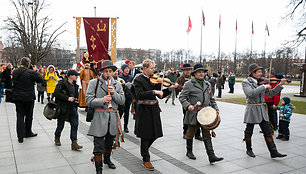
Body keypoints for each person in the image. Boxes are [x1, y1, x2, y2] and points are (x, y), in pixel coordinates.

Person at [133, 59, 178, 171]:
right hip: (143, 110)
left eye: (154, 68)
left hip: (153, 109)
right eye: (152, 68)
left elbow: (161, 95)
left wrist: (170, 88)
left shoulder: (155, 79)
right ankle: (146, 159)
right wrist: (153, 92)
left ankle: (145, 148)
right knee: (145, 135)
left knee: (155, 134)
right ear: (145, 69)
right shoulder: (138, 79)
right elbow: (139, 94)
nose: (154, 70)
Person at [86, 60, 125, 174]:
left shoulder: (117, 84)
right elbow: (89, 100)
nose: (108, 74)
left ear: (113, 72)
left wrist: (114, 94)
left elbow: (122, 100)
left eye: (110, 71)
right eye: (106, 71)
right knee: (98, 144)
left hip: (112, 117)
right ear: (102, 71)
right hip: (99, 116)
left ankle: (107, 159)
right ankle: (99, 168)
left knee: (109, 141)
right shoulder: (94, 83)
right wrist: (102, 100)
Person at [179, 64, 223, 163]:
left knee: (207, 134)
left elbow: (211, 98)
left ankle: (211, 156)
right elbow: (182, 97)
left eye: (203, 72)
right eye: (199, 72)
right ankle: (189, 151)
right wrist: (188, 105)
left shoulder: (207, 84)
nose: (201, 73)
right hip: (194, 113)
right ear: (194, 74)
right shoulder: (189, 84)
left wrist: (216, 109)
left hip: (205, 114)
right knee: (190, 133)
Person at [242, 63, 287, 158]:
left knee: (267, 131)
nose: (261, 74)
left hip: (262, 110)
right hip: (252, 109)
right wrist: (264, 87)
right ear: (252, 73)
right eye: (258, 72)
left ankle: (273, 152)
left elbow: (271, 94)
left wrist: (280, 85)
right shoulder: (246, 82)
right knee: (249, 131)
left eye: (261, 72)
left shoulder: (261, 82)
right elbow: (251, 93)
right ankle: (249, 150)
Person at [12, 57, 43, 143]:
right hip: (28, 97)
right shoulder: (31, 72)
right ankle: (27, 132)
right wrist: (34, 70)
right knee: (29, 116)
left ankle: (20, 137)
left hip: (18, 97)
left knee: (20, 116)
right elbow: (40, 79)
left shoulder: (15, 72)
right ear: (28, 64)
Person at [53, 70, 83, 150]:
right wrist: (67, 98)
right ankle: (57, 137)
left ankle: (74, 142)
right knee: (60, 125)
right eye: (75, 75)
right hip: (63, 107)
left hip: (72, 107)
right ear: (70, 76)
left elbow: (75, 96)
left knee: (75, 124)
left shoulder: (75, 85)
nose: (76, 77)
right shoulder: (62, 83)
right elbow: (56, 93)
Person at [176, 64, 202, 141]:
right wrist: (177, 88)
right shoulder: (180, 79)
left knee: (198, 117)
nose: (188, 71)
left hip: (195, 101)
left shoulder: (193, 77)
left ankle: (197, 134)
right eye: (186, 70)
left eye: (189, 70)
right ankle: (185, 132)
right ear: (183, 70)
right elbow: (178, 91)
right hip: (186, 102)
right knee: (186, 117)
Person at [264, 68, 280, 133]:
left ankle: (273, 128)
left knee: (271, 115)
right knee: (266, 115)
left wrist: (275, 103)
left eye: (266, 72)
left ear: (270, 73)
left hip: (271, 101)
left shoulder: (275, 81)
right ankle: (267, 127)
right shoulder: (266, 80)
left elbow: (277, 94)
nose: (265, 74)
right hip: (266, 100)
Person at [119, 64, 133, 133]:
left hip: (128, 96)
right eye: (126, 68)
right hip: (121, 97)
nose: (127, 70)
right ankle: (118, 126)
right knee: (120, 112)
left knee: (127, 112)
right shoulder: (120, 77)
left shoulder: (131, 77)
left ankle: (125, 127)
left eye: (128, 68)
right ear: (123, 69)